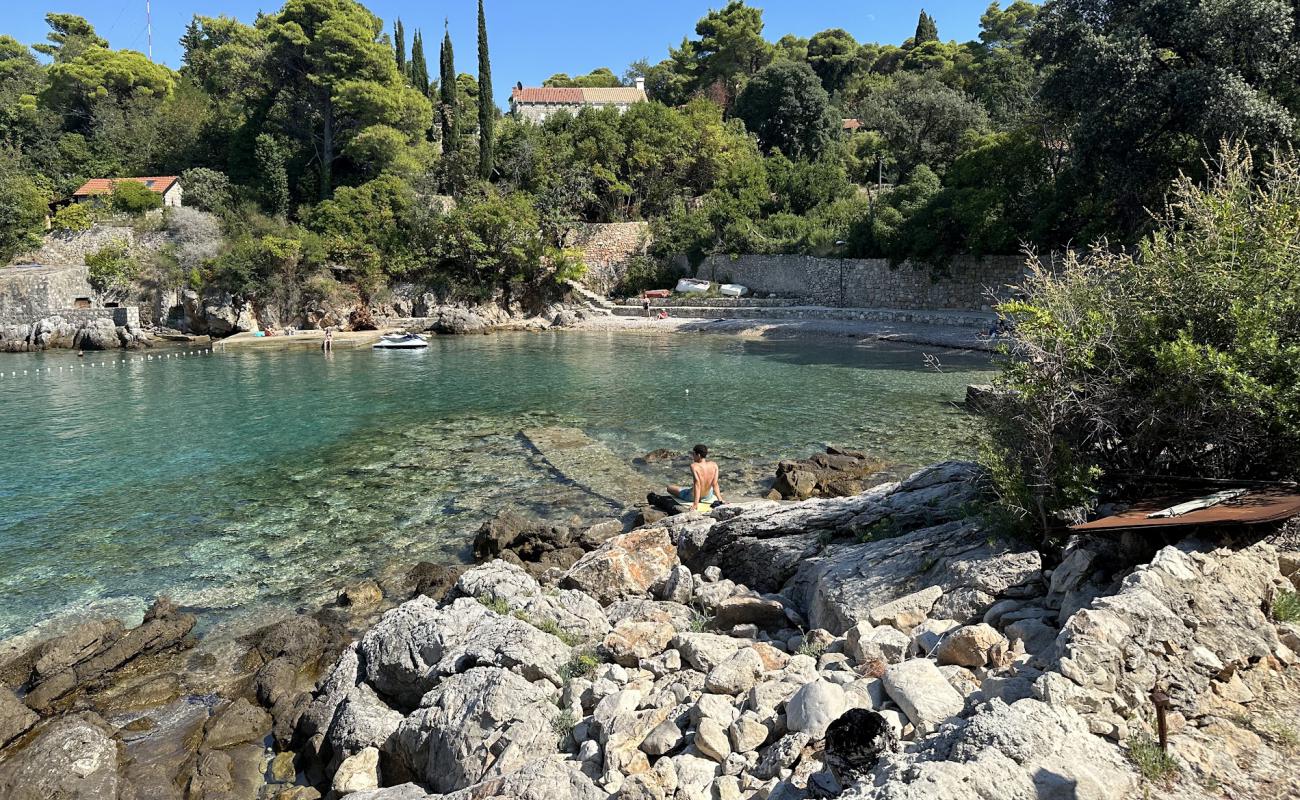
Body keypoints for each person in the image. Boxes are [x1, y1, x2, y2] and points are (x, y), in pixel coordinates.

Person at [667, 444, 725, 510]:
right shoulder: (714, 465)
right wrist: (720, 499)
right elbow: (715, 484)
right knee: (706, 487)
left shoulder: (694, 466)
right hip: (708, 496)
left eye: (693, 454)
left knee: (669, 487)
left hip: (692, 496)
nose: (692, 456)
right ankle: (689, 490)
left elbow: (697, 484)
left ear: (699, 455)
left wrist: (695, 504)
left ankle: (689, 492)